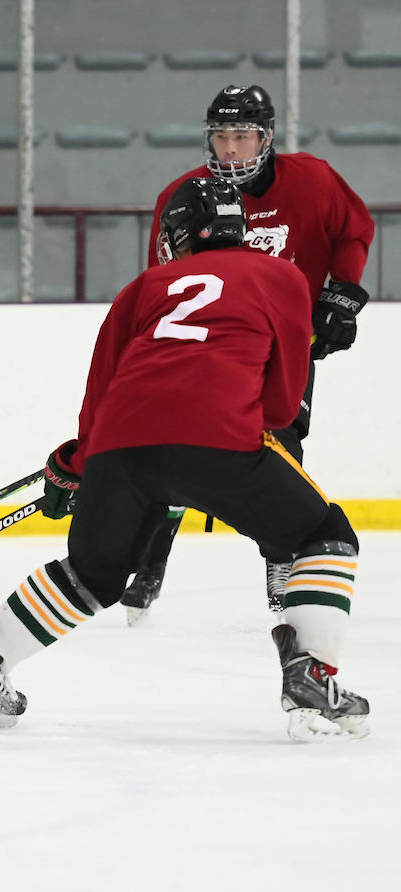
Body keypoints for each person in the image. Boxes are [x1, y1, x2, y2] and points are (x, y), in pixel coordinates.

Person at [0, 177, 368, 742]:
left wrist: (78, 463)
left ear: (177, 237)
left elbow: (100, 394)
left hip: (119, 448)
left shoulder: (143, 287)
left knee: (91, 575)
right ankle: (311, 672)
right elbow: (282, 403)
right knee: (325, 534)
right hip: (219, 438)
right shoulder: (280, 275)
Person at [124, 84, 375, 623]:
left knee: (281, 443)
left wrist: (342, 293)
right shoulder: (185, 194)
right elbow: (159, 280)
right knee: (179, 443)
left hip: (286, 343)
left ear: (266, 138)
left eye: (242, 137)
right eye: (222, 137)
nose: (231, 150)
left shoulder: (312, 180)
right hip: (209, 350)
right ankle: (152, 552)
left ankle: (282, 556)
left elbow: (354, 231)